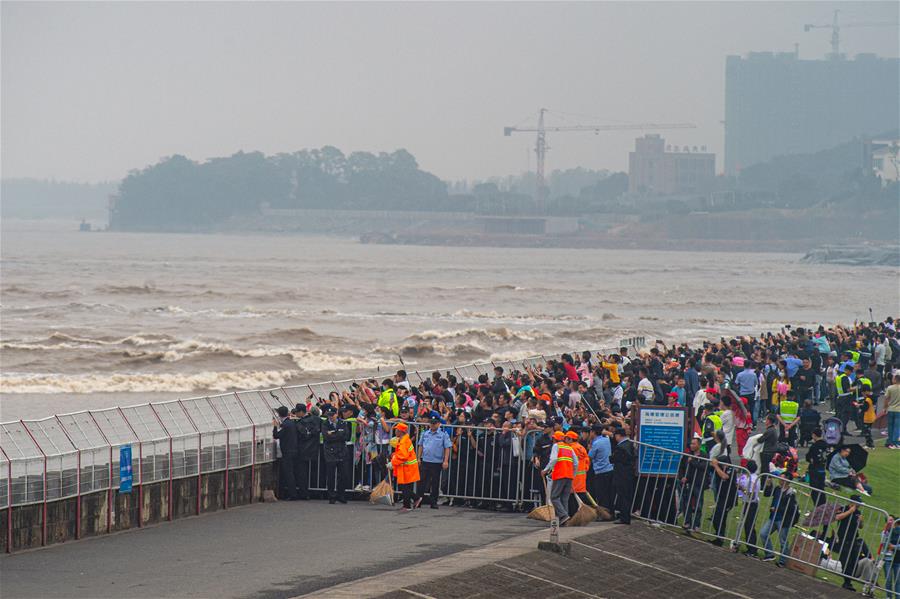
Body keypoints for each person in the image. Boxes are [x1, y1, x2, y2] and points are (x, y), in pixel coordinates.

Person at [759, 472, 799, 566]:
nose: (779, 480)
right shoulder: (777, 488)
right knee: (763, 533)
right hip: (773, 517)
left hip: (783, 520)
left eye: (782, 478)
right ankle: (769, 554)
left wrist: (777, 509)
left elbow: (790, 508)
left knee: (783, 541)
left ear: (787, 480)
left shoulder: (791, 493)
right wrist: (768, 485)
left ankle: (783, 561)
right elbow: (767, 494)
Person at [415, 416, 451, 509]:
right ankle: (419, 500)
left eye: (434, 423)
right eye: (431, 422)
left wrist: (445, 461)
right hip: (425, 460)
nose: (432, 424)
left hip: (436, 462)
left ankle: (433, 502)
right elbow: (420, 446)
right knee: (421, 482)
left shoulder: (443, 434)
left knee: (435, 483)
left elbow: (447, 448)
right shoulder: (425, 433)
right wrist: (418, 458)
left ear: (439, 424)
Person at [542, 430, 577, 525]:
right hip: (569, 476)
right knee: (564, 499)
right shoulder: (570, 448)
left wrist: (545, 470)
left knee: (553, 497)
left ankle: (564, 515)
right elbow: (576, 463)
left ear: (554, 439)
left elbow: (553, 459)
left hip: (559, 475)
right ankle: (565, 521)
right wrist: (573, 475)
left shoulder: (556, 446)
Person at [833, 495, 864, 591]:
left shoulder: (858, 512)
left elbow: (860, 527)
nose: (858, 506)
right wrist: (850, 512)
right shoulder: (843, 508)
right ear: (852, 502)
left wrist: (861, 522)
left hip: (853, 539)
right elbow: (837, 517)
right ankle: (847, 582)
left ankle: (848, 580)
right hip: (844, 539)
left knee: (854, 561)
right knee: (846, 560)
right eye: (857, 503)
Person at [678, 436, 708, 532]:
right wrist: (682, 476)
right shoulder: (687, 455)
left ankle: (696, 525)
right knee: (687, 504)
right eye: (691, 443)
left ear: (699, 445)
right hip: (688, 482)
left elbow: (703, 466)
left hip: (699, 483)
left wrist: (693, 461)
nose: (692, 445)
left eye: (694, 444)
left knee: (699, 505)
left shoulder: (704, 456)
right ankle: (687, 522)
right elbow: (681, 467)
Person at [710, 451, 739, 546]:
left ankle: (720, 537)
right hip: (722, 497)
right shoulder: (720, 468)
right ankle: (719, 535)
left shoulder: (730, 469)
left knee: (720, 516)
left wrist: (716, 466)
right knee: (717, 517)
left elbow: (724, 476)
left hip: (729, 498)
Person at [389, 422, 420, 512]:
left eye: (396, 430)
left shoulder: (403, 441)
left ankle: (410, 503)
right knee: (405, 487)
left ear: (401, 431)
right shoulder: (404, 440)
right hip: (408, 467)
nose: (395, 432)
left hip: (407, 468)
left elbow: (403, 456)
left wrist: (393, 462)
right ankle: (409, 503)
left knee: (404, 487)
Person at [321, 407, 348, 504]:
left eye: (332, 415)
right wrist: (337, 434)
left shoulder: (342, 423)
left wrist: (332, 434)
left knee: (343, 475)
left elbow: (345, 436)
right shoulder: (325, 423)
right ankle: (331, 496)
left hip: (341, 451)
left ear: (336, 414)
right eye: (329, 415)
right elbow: (326, 437)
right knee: (331, 475)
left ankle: (341, 495)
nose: (331, 417)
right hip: (330, 452)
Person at [272, 405, 299, 500]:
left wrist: (275, 427)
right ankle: (292, 493)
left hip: (287, 452)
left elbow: (276, 435)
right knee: (291, 472)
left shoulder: (285, 425)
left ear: (279, 415)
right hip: (294, 450)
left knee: (288, 473)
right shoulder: (291, 422)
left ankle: (292, 494)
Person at [295, 403, 321, 500]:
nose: (296, 414)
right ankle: (316, 493)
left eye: (297, 412)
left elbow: (302, 435)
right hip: (315, 449)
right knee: (316, 472)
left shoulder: (300, 423)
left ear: (301, 412)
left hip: (303, 450)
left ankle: (304, 493)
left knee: (302, 473)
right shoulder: (317, 420)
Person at [610, 427, 634, 525]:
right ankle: (625, 516)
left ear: (618, 436)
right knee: (626, 497)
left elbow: (613, 459)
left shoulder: (621, 447)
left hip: (622, 475)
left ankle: (624, 518)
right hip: (628, 475)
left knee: (623, 496)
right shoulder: (630, 444)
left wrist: (612, 457)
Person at [736, 460, 761, 556]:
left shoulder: (753, 479)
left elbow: (751, 494)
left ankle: (752, 549)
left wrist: (741, 488)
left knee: (749, 526)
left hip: (752, 504)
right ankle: (750, 548)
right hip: (749, 503)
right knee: (748, 525)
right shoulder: (751, 477)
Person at [588, 424, 613, 511]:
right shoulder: (606, 440)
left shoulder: (596, 443)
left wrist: (590, 446)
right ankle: (610, 513)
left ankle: (604, 514)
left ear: (593, 432)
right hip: (609, 469)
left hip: (600, 471)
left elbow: (590, 456)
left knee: (601, 495)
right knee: (608, 493)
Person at [567, 429, 590, 515]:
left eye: (566, 438)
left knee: (572, 497)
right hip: (582, 476)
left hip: (573, 476)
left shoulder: (570, 449)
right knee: (581, 495)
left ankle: (573, 515)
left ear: (570, 439)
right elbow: (587, 460)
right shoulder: (582, 448)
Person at [805, 427, 829, 507]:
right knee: (821, 489)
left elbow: (808, 457)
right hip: (822, 470)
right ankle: (823, 506)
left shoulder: (814, 446)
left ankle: (817, 506)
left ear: (814, 435)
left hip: (814, 470)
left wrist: (811, 460)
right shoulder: (826, 445)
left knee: (814, 490)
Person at [887, 374, 900, 449]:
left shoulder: (890, 388)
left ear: (895, 380)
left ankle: (890, 442)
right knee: (897, 427)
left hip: (890, 409)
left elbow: (886, 399)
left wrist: (885, 407)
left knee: (890, 427)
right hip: (898, 410)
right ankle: (896, 443)